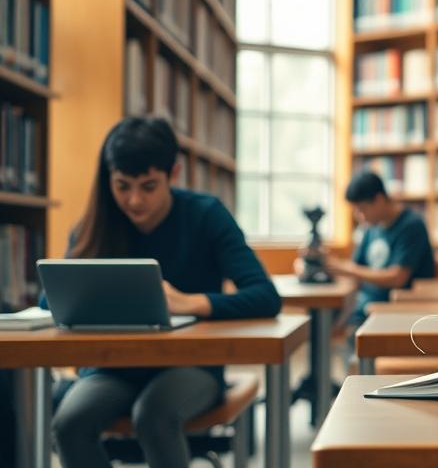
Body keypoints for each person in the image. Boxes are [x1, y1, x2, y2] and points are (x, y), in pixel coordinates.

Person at [51, 117, 282, 468]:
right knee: (69, 423)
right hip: (113, 367)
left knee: (154, 416)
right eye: (122, 185)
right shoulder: (95, 225)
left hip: (191, 364)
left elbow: (266, 295)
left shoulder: (206, 214)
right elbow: (51, 300)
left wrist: (193, 303)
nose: (133, 200)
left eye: (148, 186)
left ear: (173, 174)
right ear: (108, 179)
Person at [324, 170, 436, 324]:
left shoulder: (412, 225)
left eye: (362, 209)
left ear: (379, 199)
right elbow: (356, 270)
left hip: (399, 310)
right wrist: (323, 270)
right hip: (367, 305)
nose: (359, 216)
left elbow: (397, 278)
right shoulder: (370, 228)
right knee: (328, 316)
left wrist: (346, 268)